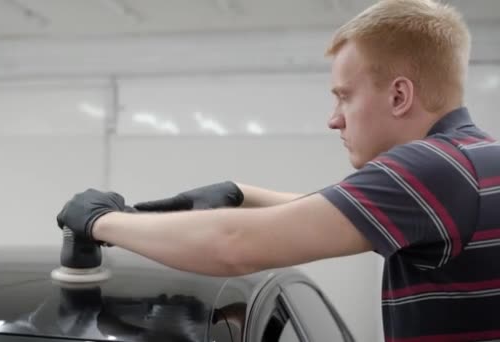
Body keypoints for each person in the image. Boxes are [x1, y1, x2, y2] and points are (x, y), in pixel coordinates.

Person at [56, 0, 500, 340]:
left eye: (344, 95)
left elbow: (234, 246)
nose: (334, 118)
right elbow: (345, 217)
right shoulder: (471, 163)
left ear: (399, 96)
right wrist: (240, 192)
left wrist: (101, 222)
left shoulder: (430, 169)